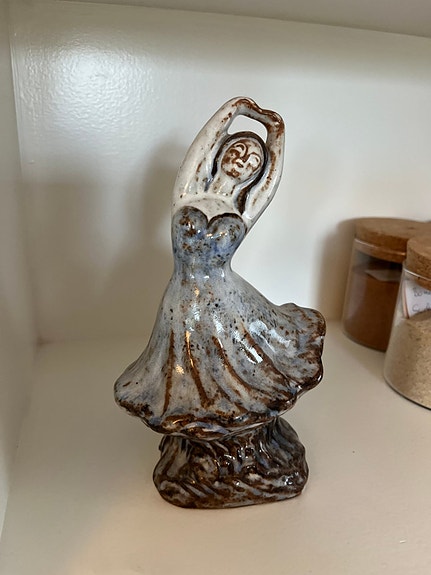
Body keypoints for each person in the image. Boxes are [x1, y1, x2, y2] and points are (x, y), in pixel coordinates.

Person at [114, 97, 325, 441]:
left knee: (242, 374)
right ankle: (199, 428)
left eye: (253, 162)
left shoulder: (243, 209)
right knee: (184, 375)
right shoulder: (189, 193)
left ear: (254, 174)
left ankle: (237, 427)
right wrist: (237, 108)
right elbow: (201, 147)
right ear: (223, 152)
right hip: (183, 299)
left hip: (229, 301)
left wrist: (276, 131)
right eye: (238, 150)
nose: (242, 161)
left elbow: (270, 181)